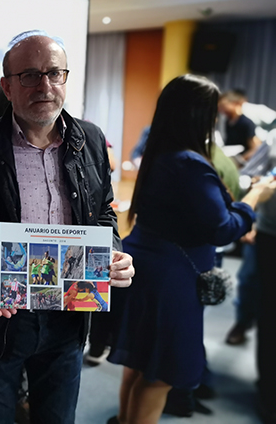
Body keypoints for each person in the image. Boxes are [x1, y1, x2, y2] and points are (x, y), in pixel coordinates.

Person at [0, 30, 134, 424]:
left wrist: (112, 250)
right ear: (7, 87)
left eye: (54, 73)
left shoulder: (91, 140)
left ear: (65, 78)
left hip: (68, 315)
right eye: (29, 75)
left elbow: (103, 211)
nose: (44, 86)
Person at [106, 74, 276, 424]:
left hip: (146, 268)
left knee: (140, 365)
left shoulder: (160, 153)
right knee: (162, 375)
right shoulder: (190, 164)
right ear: (200, 115)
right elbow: (222, 228)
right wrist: (254, 197)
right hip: (171, 281)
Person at [218, 89, 262, 164]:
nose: (221, 110)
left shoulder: (246, 123)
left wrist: (240, 160)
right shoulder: (228, 122)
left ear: (236, 104)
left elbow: (255, 148)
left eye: (223, 106)